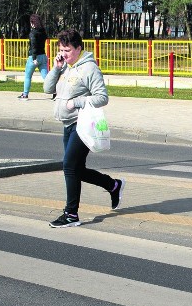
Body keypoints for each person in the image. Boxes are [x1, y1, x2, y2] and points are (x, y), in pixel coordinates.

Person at [44, 28, 125, 228]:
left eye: (68, 50)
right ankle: (112, 185)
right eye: (61, 49)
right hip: (68, 125)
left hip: (82, 125)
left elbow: (102, 97)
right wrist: (56, 68)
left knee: (69, 166)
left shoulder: (89, 68)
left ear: (79, 48)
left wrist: (78, 102)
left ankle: (71, 214)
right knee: (77, 170)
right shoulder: (65, 66)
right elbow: (47, 88)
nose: (64, 54)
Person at [19, 14, 48, 99]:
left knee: (28, 76)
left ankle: (25, 94)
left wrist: (34, 58)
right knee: (46, 77)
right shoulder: (43, 31)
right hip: (43, 55)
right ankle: (55, 92)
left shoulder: (33, 33)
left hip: (33, 57)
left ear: (32, 23)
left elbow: (33, 45)